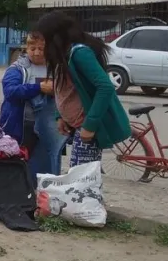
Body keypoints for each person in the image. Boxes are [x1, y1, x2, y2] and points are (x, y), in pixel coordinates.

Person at [36, 11, 130, 167]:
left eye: (44, 39)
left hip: (86, 128)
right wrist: (60, 116)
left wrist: (90, 125)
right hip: (76, 127)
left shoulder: (80, 54)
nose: (42, 44)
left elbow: (105, 87)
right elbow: (63, 89)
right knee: (80, 176)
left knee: (82, 178)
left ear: (55, 37)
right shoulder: (64, 56)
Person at [0, 32, 64, 178]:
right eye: (32, 48)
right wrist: (38, 88)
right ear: (26, 48)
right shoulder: (18, 69)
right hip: (21, 128)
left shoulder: (56, 68)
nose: (36, 53)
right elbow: (10, 91)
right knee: (21, 169)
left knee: (48, 167)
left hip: (50, 127)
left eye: (41, 49)